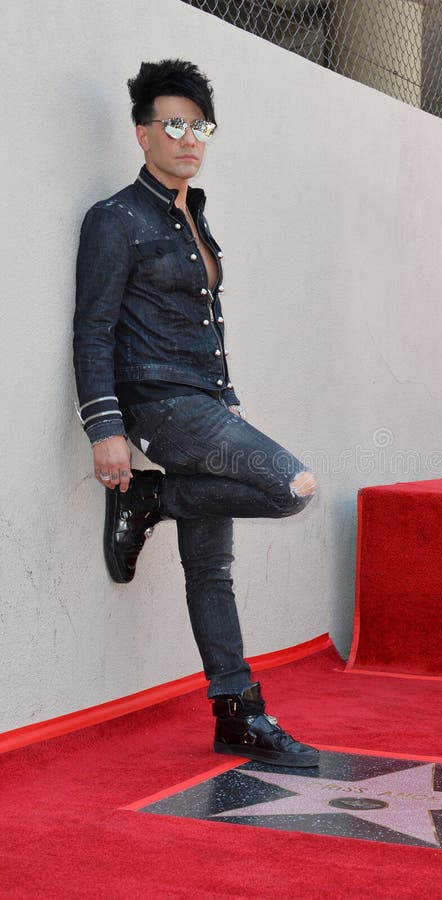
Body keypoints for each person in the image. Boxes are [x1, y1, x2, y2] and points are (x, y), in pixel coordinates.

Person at [73, 59, 318, 767]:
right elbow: (93, 329)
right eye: (173, 124)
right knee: (292, 485)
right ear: (143, 134)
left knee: (211, 570)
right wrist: (105, 427)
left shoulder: (193, 214)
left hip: (209, 401)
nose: (188, 138)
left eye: (199, 126)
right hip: (160, 405)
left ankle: (237, 714)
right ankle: (153, 494)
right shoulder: (115, 218)